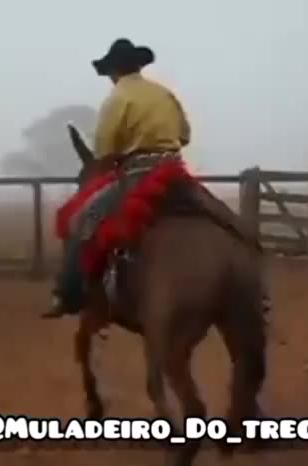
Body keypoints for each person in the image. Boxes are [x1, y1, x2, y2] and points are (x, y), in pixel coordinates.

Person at [42, 38, 270, 319]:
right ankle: (259, 293)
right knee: (229, 220)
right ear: (138, 66)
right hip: (176, 172)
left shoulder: (117, 99)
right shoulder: (164, 94)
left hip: (137, 175)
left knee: (82, 220)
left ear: (113, 71)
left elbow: (103, 151)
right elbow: (184, 135)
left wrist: (123, 153)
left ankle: (67, 294)